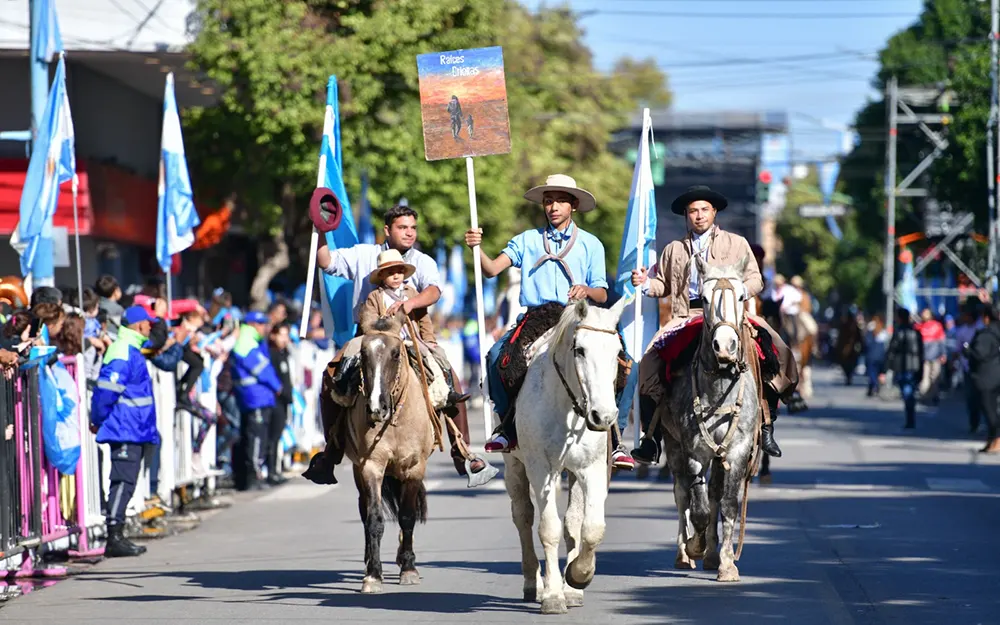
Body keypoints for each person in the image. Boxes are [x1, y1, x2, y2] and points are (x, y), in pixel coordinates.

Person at [464, 174, 635, 469]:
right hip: (538, 317)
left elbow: (602, 292)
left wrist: (586, 290)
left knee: (626, 365)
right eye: (548, 200)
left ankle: (615, 437)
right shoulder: (527, 240)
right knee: (496, 357)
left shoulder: (591, 244)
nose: (553, 206)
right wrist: (476, 248)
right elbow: (492, 269)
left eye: (560, 200)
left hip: (579, 316)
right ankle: (507, 427)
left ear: (574, 206)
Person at [304, 204, 476, 484]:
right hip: (367, 338)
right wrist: (321, 229)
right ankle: (331, 451)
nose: (409, 233)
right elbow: (326, 261)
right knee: (330, 377)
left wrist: (409, 304)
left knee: (450, 378)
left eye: (412, 228)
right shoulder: (364, 254)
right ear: (387, 230)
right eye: (402, 227)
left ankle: (463, 451)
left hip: (412, 338)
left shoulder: (422, 261)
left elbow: (433, 290)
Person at [630, 185, 801, 463]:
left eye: (704, 210)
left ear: (714, 212)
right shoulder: (674, 249)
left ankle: (767, 425)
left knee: (775, 350)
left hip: (730, 316)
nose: (698, 216)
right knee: (648, 362)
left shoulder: (737, 243)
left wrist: (739, 293)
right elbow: (663, 285)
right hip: (686, 317)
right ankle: (651, 439)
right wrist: (645, 283)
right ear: (686, 215)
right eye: (693, 211)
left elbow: (756, 279)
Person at [89, 306, 159, 557]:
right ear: (138, 325)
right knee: (122, 482)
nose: (151, 326)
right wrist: (97, 418)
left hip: (133, 428)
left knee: (126, 482)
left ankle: (117, 535)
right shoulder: (123, 351)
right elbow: (107, 390)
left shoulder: (131, 350)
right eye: (149, 322)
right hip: (125, 428)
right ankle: (114, 537)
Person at [359, 249, 470, 407]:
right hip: (387, 344)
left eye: (399, 271)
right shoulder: (375, 297)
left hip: (412, 341)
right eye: (391, 272)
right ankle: (351, 391)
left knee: (438, 356)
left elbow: (423, 318)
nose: (396, 276)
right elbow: (368, 321)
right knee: (358, 360)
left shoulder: (411, 293)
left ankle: (446, 391)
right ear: (382, 276)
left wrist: (429, 340)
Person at [231, 311, 283, 491]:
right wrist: (277, 385)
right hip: (255, 397)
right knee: (256, 439)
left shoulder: (253, 340)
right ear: (252, 324)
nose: (264, 328)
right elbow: (262, 368)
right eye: (261, 324)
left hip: (257, 397)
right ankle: (253, 477)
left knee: (255, 436)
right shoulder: (246, 341)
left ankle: (253, 475)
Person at [881, 307, 924, 430]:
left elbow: (891, 351)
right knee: (909, 390)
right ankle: (910, 414)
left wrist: (885, 368)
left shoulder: (899, 332)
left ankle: (910, 415)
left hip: (902, 367)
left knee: (907, 391)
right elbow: (921, 353)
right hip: (914, 366)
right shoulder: (916, 332)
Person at [966, 304, 1000, 453]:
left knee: (989, 409)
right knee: (991, 409)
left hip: (987, 377)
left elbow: (980, 354)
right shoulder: (995, 332)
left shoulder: (986, 334)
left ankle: (996, 439)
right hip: (994, 375)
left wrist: (968, 351)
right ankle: (991, 439)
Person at [266, 322, 293, 485]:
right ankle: (270, 471)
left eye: (286, 335)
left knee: (278, 437)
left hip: (284, 401)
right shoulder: (271, 354)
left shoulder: (284, 353)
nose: (284, 339)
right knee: (273, 438)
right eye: (281, 335)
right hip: (275, 401)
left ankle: (276, 469)